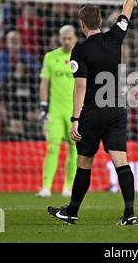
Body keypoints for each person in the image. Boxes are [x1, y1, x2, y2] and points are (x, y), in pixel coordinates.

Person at [47, 0, 138, 226]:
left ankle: (72, 211)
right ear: (100, 21)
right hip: (116, 108)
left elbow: (80, 87)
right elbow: (126, 12)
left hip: (93, 111)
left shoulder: (79, 51)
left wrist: (75, 118)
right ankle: (130, 212)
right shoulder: (115, 38)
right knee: (121, 160)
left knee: (84, 163)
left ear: (82, 23)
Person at [36, 26, 78, 198]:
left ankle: (68, 187)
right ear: (60, 39)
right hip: (55, 110)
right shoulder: (50, 57)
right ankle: (46, 187)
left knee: (74, 149)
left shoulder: (82, 56)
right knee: (52, 148)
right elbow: (44, 83)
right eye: (64, 38)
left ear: (75, 37)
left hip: (75, 110)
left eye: (69, 38)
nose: (67, 41)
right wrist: (43, 106)